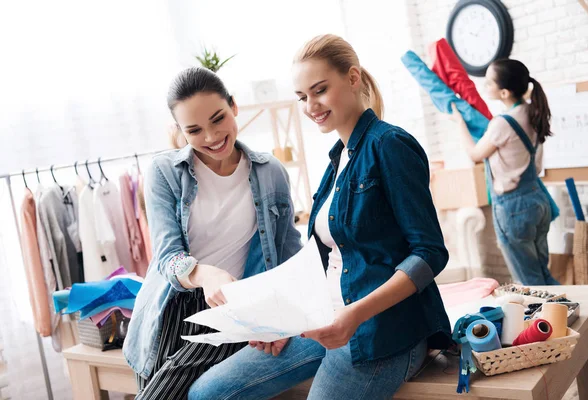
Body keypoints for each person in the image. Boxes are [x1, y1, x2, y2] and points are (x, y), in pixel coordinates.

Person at [188, 34, 452, 400]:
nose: (311, 106)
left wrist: (354, 316)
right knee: (207, 393)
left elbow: (429, 253)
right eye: (302, 97)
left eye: (320, 90)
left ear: (353, 78)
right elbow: (323, 258)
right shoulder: (337, 160)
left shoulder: (389, 145)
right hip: (325, 318)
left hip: (383, 331)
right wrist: (280, 321)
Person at [123, 67, 303, 400]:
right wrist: (206, 275)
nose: (211, 137)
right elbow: (166, 255)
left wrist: (283, 313)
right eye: (194, 130)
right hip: (170, 309)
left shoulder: (270, 172)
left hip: (231, 308)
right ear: (180, 131)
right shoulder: (164, 172)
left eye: (218, 119)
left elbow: (288, 251)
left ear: (234, 106)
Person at [449, 59, 559, 286]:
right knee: (542, 275)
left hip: (514, 209)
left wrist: (459, 123)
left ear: (505, 92)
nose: (484, 87)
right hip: (538, 200)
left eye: (489, 83)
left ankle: (553, 320)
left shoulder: (502, 124)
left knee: (529, 283)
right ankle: (567, 317)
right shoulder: (533, 111)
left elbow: (475, 154)